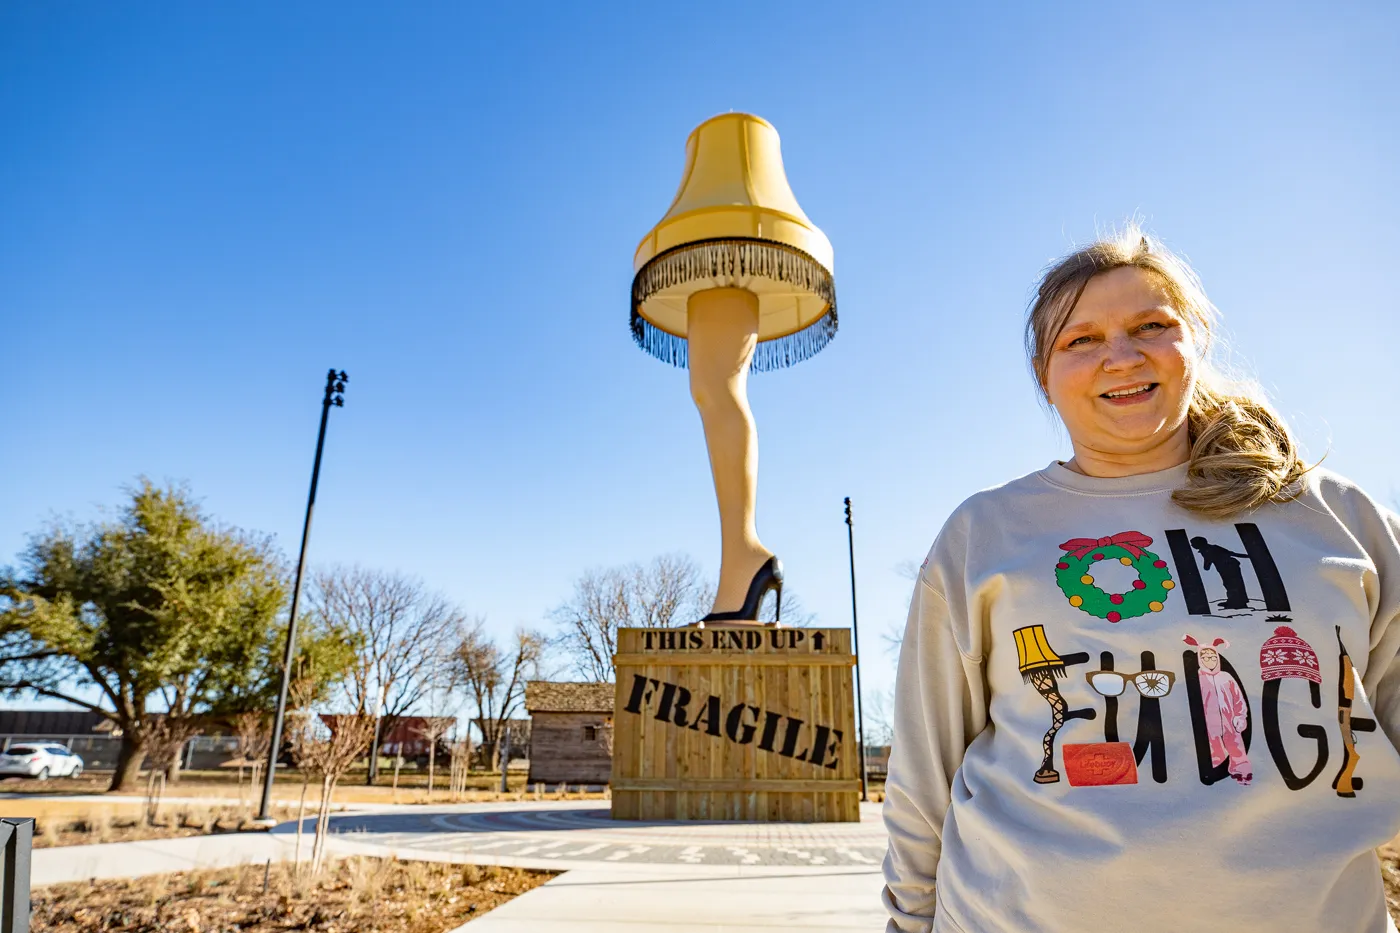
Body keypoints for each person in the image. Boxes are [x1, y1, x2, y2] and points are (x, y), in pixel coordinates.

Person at [881, 227, 1400, 933]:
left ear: (1198, 339)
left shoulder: (1337, 517)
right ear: (1044, 372)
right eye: (1082, 340)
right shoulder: (986, 533)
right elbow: (923, 779)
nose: (1119, 356)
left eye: (1150, 326)